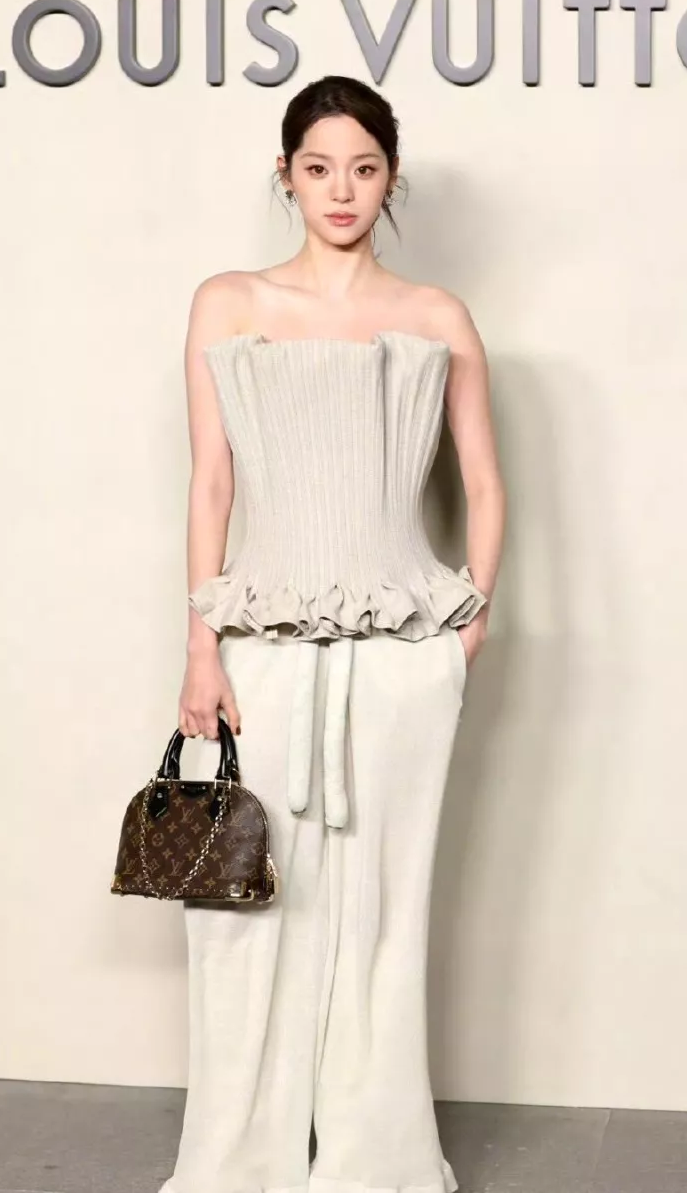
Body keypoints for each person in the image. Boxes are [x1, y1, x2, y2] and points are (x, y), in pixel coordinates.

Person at [159, 74, 506, 1193]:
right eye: (319, 168)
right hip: (259, 641)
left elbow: (485, 484)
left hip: (405, 654)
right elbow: (211, 484)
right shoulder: (228, 301)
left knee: (387, 912)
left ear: (391, 178)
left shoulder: (437, 316)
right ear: (287, 175)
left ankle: (375, 1163)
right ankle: (238, 1163)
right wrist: (201, 647)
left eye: (363, 168)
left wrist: (466, 631)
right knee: (242, 906)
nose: (341, 189)